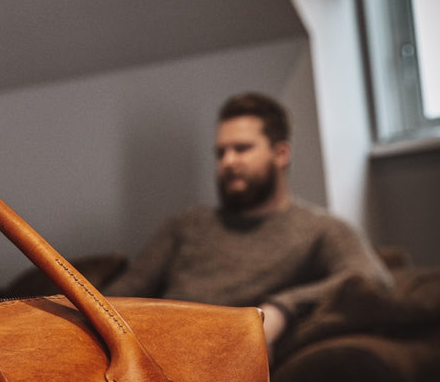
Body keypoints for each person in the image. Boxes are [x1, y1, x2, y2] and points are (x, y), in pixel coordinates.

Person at [105, 92, 392, 357]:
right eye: (221, 152)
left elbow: (372, 280)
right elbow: (117, 296)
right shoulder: (187, 224)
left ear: (280, 154)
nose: (228, 162)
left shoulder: (320, 229)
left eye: (242, 149)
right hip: (150, 352)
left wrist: (283, 308)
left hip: (226, 363)